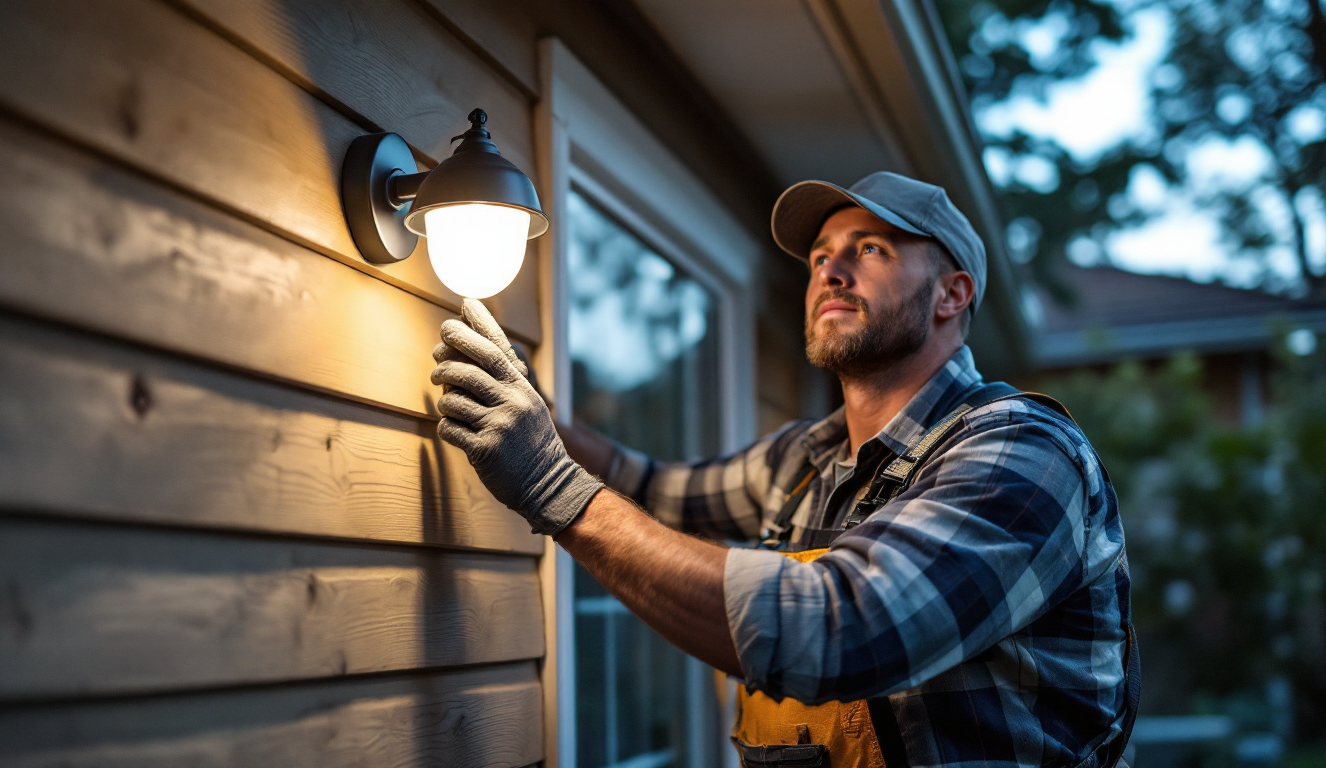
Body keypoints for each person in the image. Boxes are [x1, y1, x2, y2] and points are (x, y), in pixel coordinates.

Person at [431, 171, 1138, 767]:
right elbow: (641, 485)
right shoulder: (804, 462)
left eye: (872, 248)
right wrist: (534, 412)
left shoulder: (1022, 452)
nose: (831, 269)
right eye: (821, 256)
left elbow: (845, 629)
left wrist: (552, 485)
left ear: (952, 294)